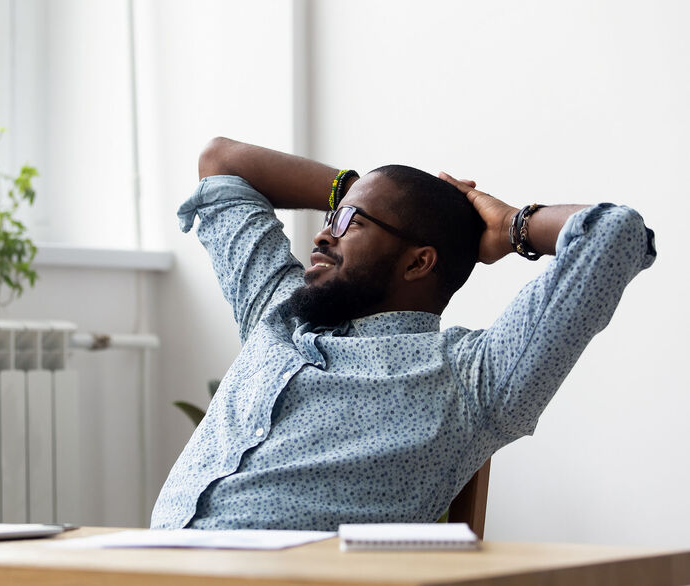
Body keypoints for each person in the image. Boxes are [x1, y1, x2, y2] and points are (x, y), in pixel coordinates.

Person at [151, 137, 656, 531]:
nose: (325, 233)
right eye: (333, 215)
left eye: (351, 221)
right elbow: (222, 161)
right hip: (141, 569)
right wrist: (362, 187)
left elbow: (616, 234)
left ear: (419, 262)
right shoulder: (280, 310)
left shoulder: (473, 377)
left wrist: (508, 226)